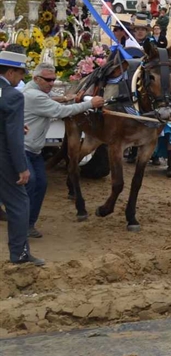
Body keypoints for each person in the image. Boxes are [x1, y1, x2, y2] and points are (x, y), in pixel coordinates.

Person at [22, 64, 102, 237]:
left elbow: (53, 99)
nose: (52, 83)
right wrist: (90, 103)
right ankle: (22, 225)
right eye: (48, 80)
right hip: (24, 149)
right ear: (36, 79)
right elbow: (61, 112)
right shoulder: (35, 95)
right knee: (30, 184)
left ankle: (28, 224)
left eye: (53, 79)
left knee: (41, 184)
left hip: (34, 151)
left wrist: (68, 97)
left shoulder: (33, 88)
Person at [0, 50, 41, 265]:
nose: (21, 79)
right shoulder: (13, 95)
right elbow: (14, 141)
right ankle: (20, 253)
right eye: (20, 74)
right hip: (4, 159)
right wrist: (22, 167)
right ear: (10, 71)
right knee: (19, 204)